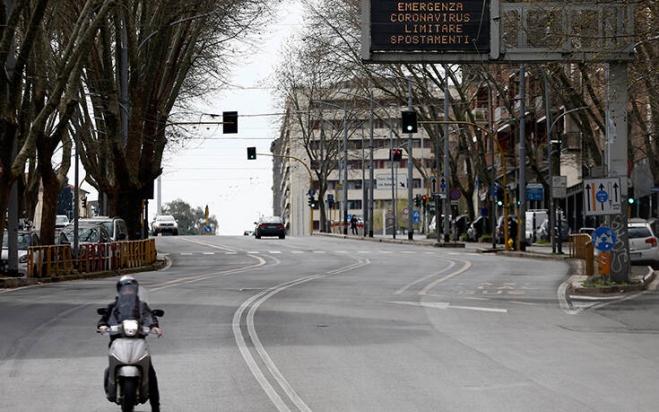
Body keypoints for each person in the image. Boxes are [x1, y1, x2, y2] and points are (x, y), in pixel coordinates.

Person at [97, 275, 163, 412]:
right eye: (125, 290)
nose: (128, 292)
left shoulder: (142, 306)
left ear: (136, 290)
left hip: (138, 341)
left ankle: (155, 407)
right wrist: (102, 326)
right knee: (111, 363)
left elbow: (150, 317)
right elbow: (104, 319)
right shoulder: (114, 307)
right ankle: (111, 383)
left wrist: (154, 327)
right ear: (120, 291)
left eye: (131, 289)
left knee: (151, 373)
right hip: (117, 340)